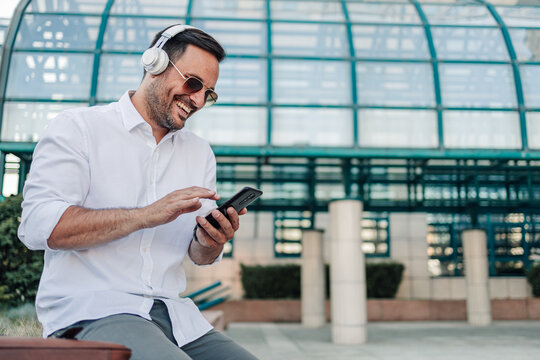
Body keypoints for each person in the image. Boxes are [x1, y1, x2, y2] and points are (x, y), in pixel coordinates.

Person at [18, 24, 258, 360]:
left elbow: (200, 257)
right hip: (93, 310)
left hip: (176, 318)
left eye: (209, 93)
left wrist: (211, 241)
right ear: (155, 63)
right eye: (193, 84)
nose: (199, 100)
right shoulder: (78, 129)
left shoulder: (200, 152)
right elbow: (37, 227)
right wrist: (146, 215)